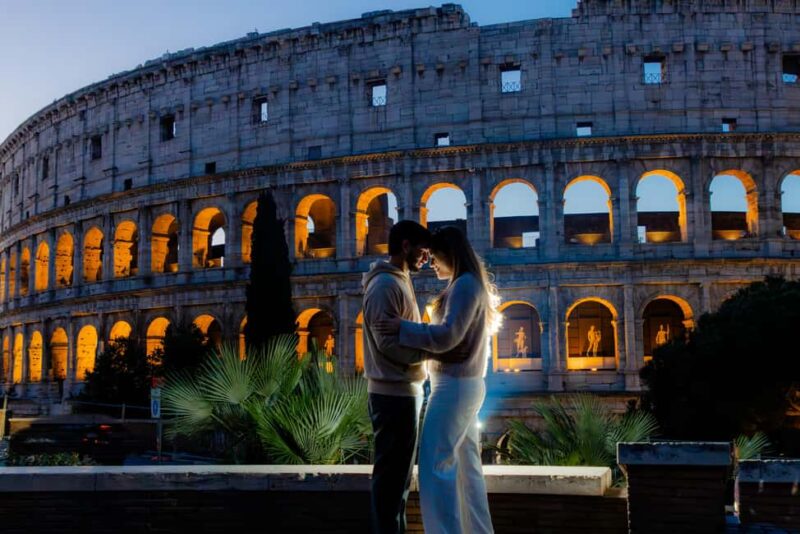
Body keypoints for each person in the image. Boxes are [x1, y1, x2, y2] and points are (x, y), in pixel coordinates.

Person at [376, 225, 501, 534]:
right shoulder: (469, 284)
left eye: (434, 256)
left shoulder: (464, 285)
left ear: (450, 254)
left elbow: (447, 336)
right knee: (467, 471)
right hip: (465, 386)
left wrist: (403, 328)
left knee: (435, 469)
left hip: (453, 388)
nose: (431, 263)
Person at [362, 220, 431, 534]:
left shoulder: (398, 280)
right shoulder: (385, 286)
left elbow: (399, 334)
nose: (425, 258)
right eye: (422, 251)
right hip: (393, 394)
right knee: (391, 481)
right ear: (405, 245)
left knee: (399, 481)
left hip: (401, 390)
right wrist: (428, 353)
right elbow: (386, 342)